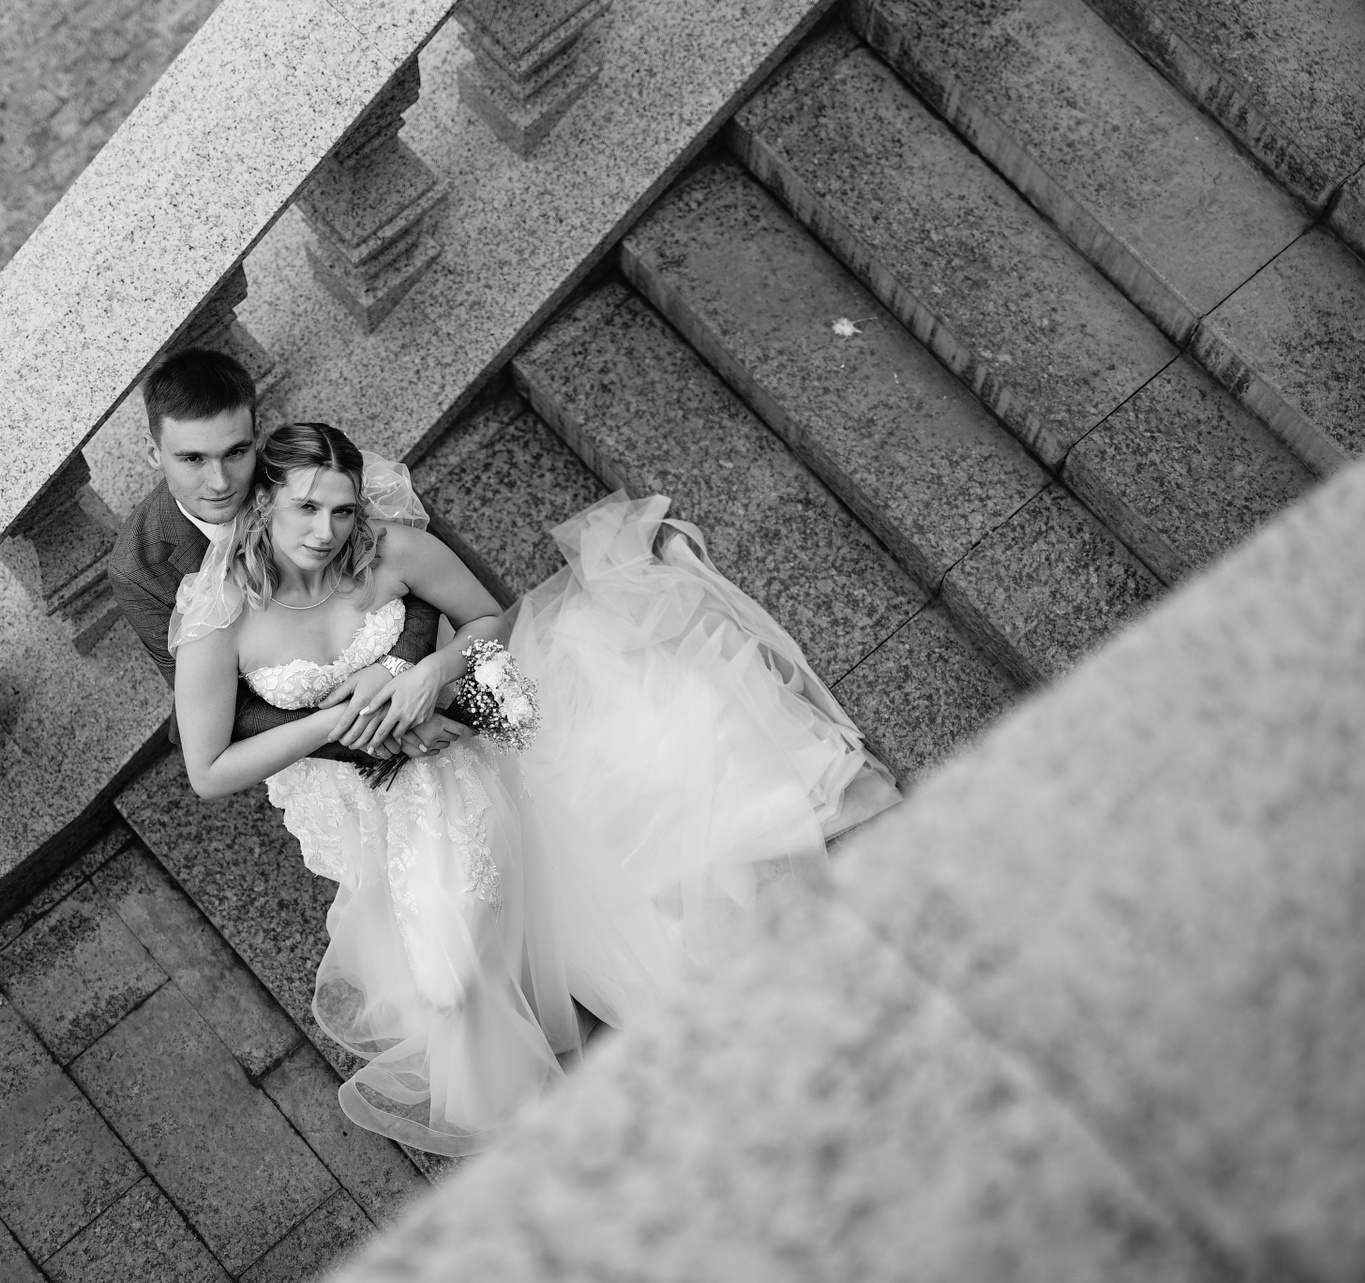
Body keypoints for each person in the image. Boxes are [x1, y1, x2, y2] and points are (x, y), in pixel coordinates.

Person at [170, 421, 901, 1155]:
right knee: (467, 928)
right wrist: (341, 720)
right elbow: (209, 770)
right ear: (264, 501)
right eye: (306, 508)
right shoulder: (222, 615)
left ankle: (538, 1121)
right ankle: (532, 1006)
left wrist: (425, 671)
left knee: (452, 976)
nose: (325, 531)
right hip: (346, 808)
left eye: (341, 509)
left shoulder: (391, 551)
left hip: (446, 776)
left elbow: (490, 619)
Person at [107, 348, 460, 759]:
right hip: (300, 740)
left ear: (256, 434)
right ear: (154, 452)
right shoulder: (138, 568)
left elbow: (412, 570)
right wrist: (373, 729)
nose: (220, 482)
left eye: (236, 452)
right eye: (192, 458)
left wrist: (397, 669)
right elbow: (228, 708)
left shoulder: (297, 467)